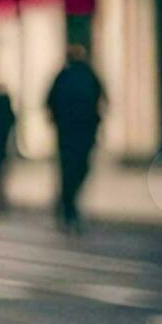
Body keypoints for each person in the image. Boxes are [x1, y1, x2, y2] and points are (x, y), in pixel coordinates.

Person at [46, 43, 105, 232]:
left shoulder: (77, 76)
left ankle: (67, 201)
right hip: (75, 131)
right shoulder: (69, 76)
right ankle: (68, 203)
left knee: (74, 168)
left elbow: (49, 102)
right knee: (76, 167)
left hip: (75, 131)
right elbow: (50, 101)